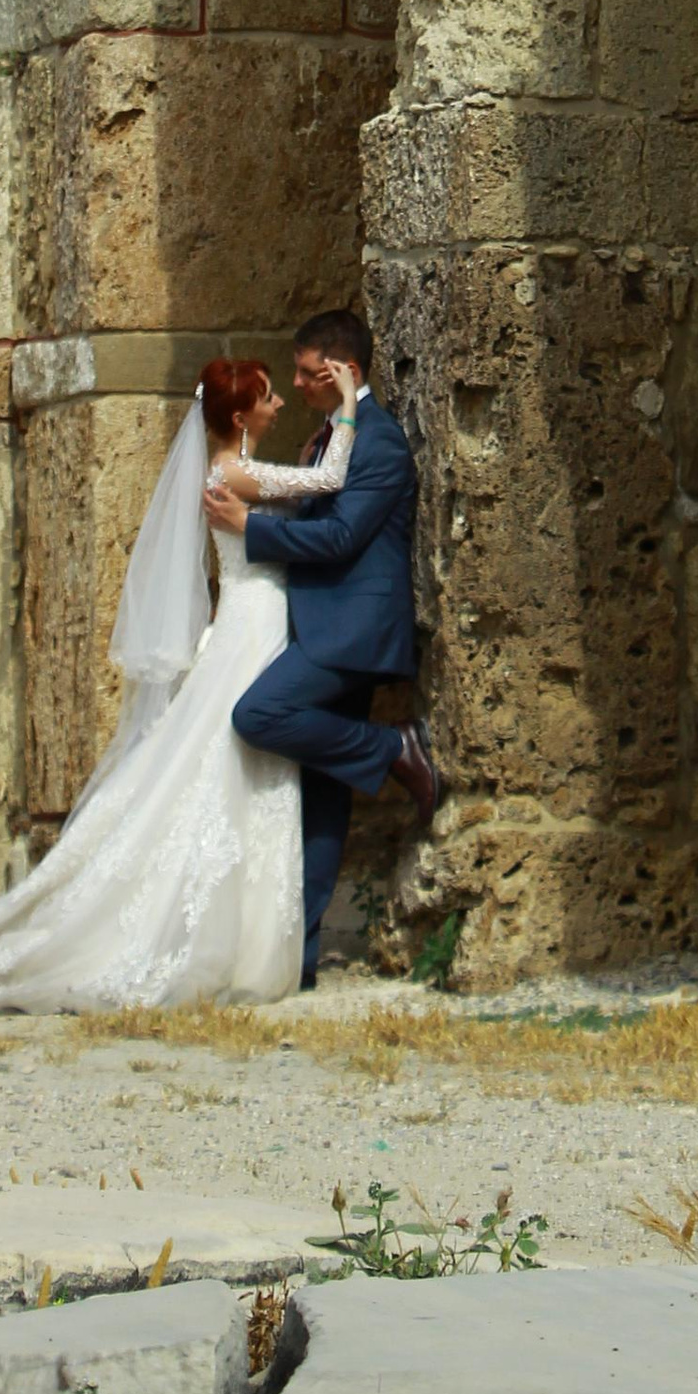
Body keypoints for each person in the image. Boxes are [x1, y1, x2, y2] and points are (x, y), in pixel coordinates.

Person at [0, 347, 357, 1011]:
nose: (276, 405)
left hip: (254, 618)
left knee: (229, 762)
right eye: (267, 397)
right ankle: (230, 942)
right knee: (234, 762)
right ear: (240, 414)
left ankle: (243, 937)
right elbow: (327, 482)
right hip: (255, 619)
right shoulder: (234, 472)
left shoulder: (229, 468)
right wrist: (350, 408)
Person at [208, 306, 438, 994]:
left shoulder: (381, 443)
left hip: (351, 634)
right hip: (318, 625)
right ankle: (297, 957)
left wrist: (252, 530)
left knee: (259, 716)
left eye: (310, 375)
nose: (298, 384)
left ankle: (395, 750)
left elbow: (341, 539)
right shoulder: (333, 436)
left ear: (346, 371)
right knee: (321, 797)